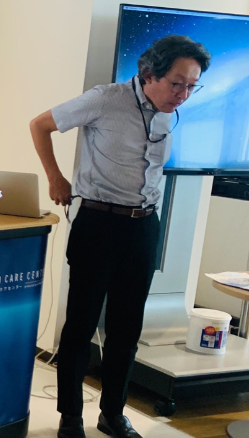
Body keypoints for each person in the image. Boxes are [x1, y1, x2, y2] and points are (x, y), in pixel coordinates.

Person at [29, 35, 210, 438]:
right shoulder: (105, 99)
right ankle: (71, 418)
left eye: (192, 86)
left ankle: (112, 414)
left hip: (143, 226)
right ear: (150, 74)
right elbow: (40, 125)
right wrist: (56, 178)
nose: (183, 94)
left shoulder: (168, 111)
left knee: (127, 330)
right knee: (80, 325)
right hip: (99, 223)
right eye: (177, 83)